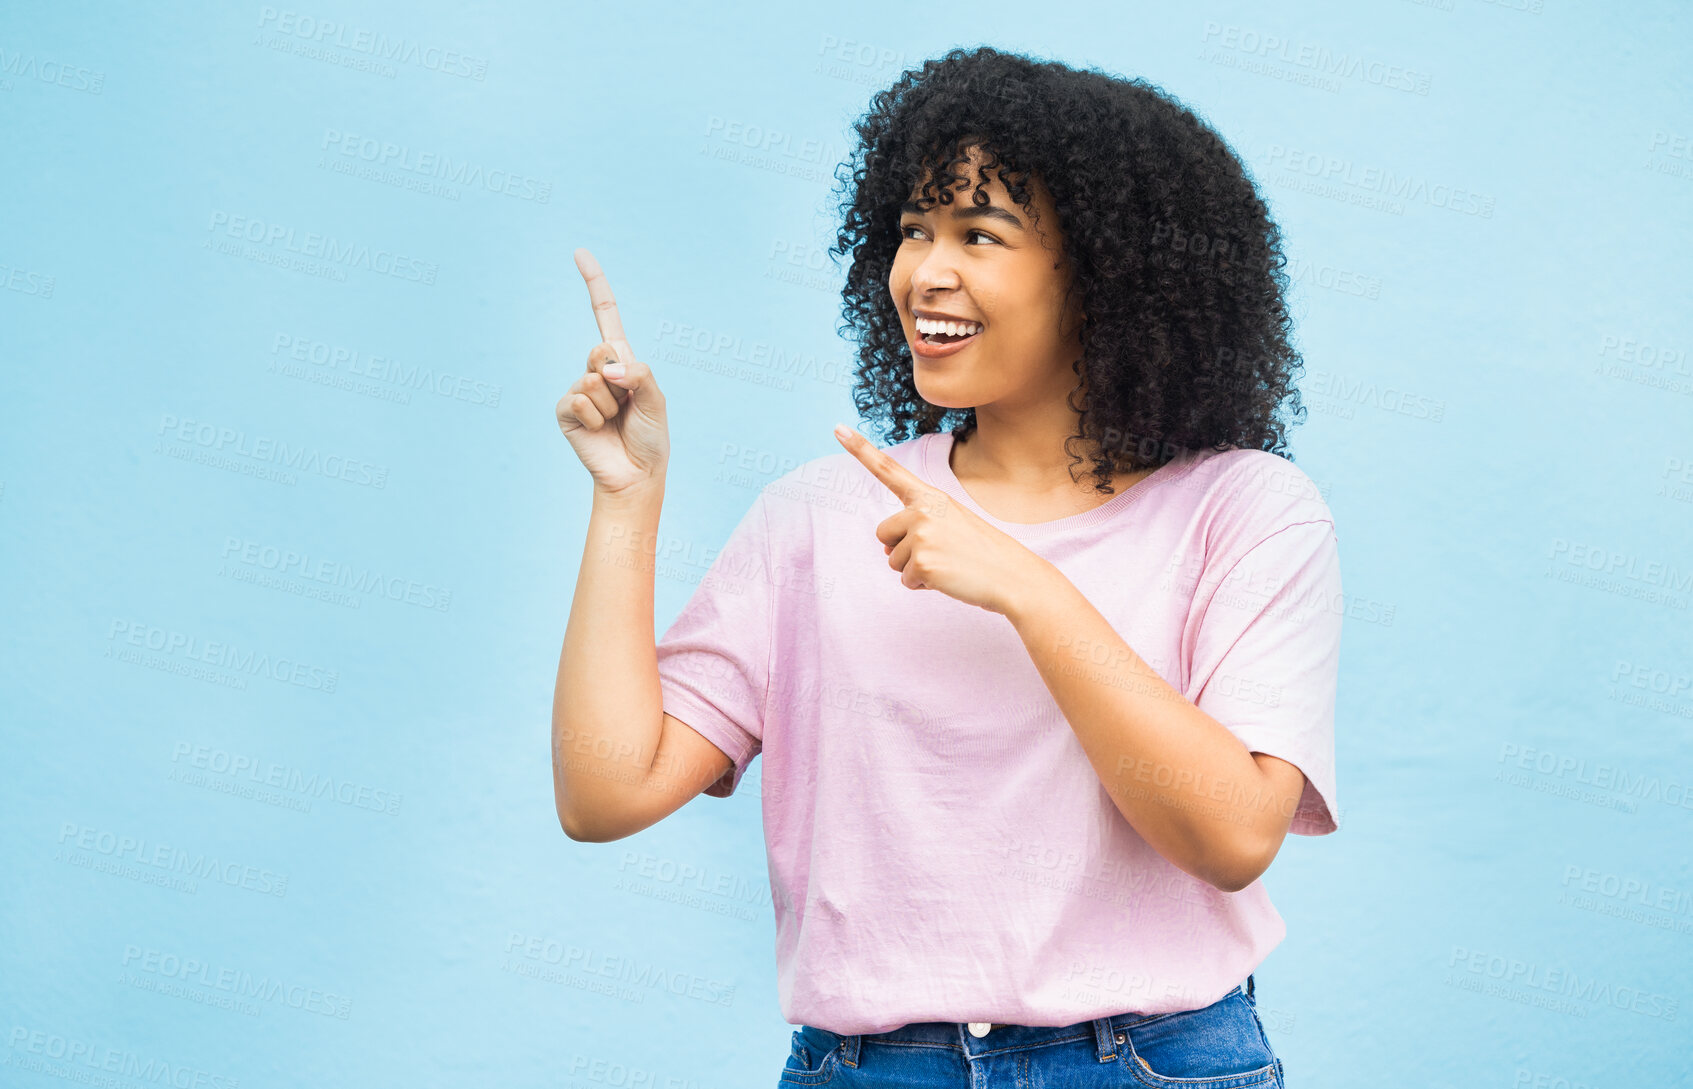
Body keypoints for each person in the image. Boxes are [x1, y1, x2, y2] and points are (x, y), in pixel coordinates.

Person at [552, 46, 1340, 1088]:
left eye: (980, 234)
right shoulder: (820, 514)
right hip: (866, 1067)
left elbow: (1234, 836)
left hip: (1147, 1061)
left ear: (1107, 271)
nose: (923, 271)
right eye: (913, 230)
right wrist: (624, 498)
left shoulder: (1244, 511)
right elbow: (605, 793)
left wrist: (1026, 588)